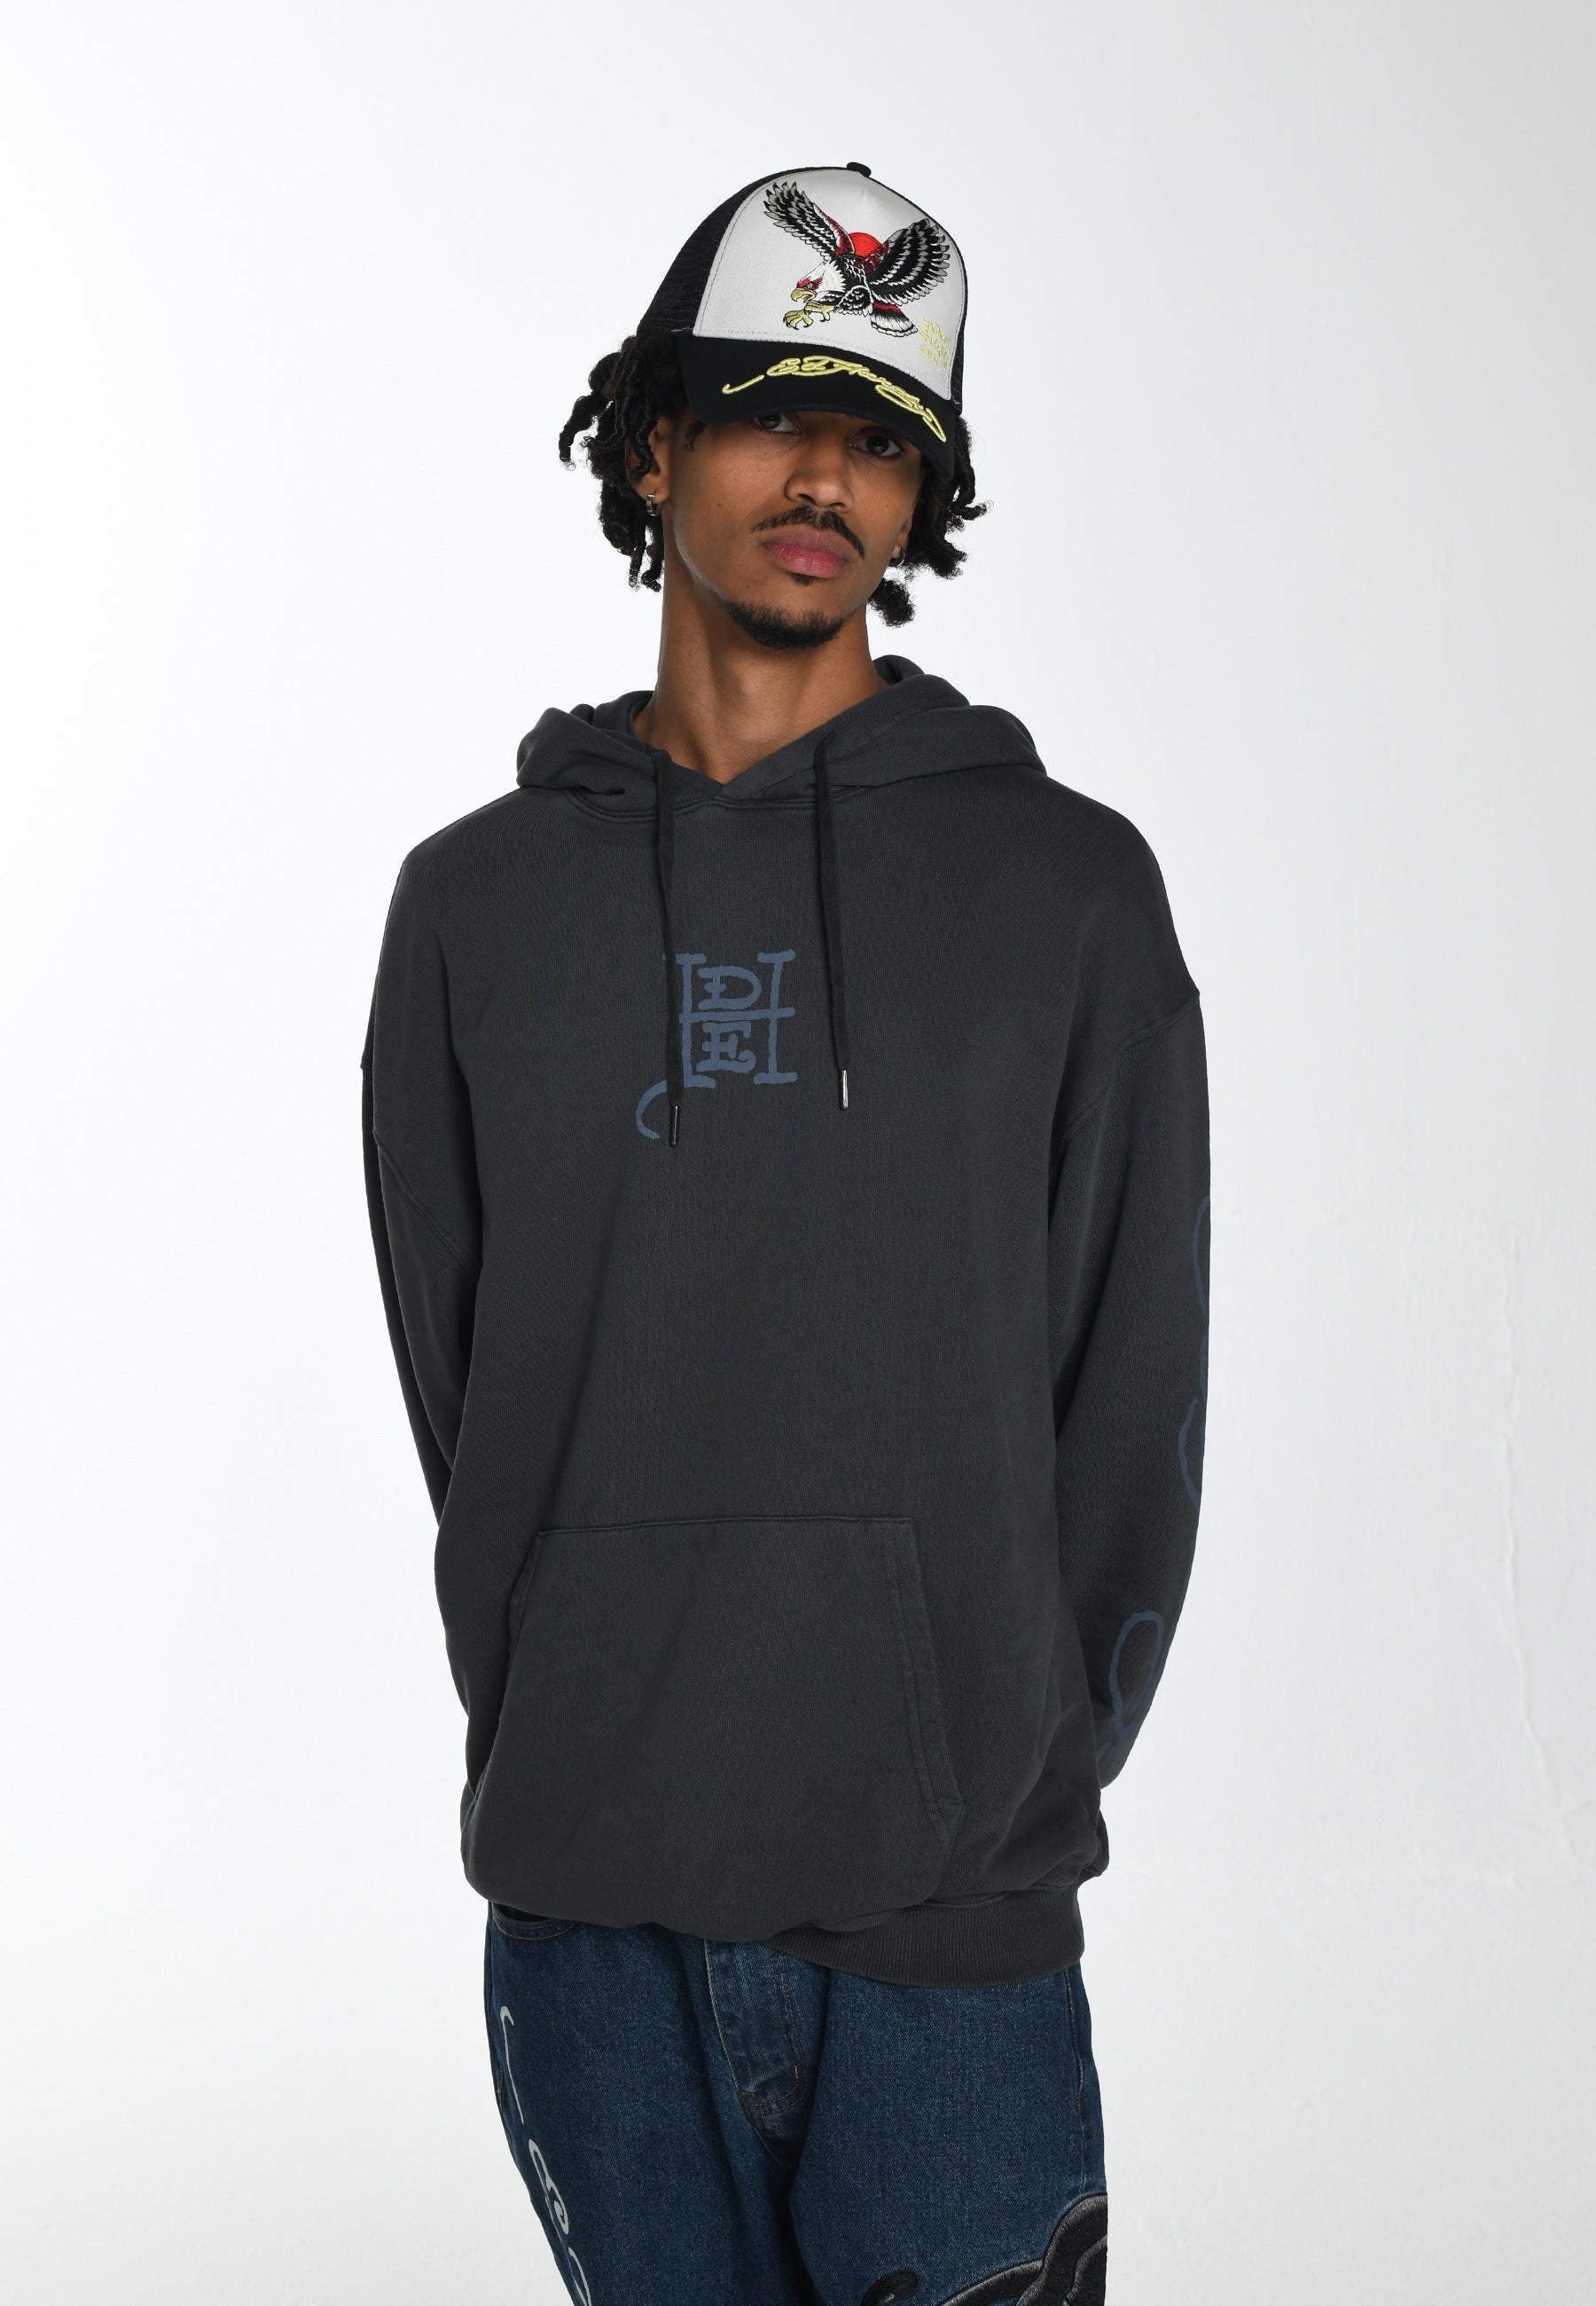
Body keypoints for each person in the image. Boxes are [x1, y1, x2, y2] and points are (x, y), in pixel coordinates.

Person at [362, 161, 1209, 2306]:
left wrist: (996, 1772)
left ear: (924, 497)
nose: (825, 472)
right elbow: (467, 1387)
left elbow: (1129, 1399)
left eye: (882, 434)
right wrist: (573, 1674)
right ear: (652, 445)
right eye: (768, 411)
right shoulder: (472, 908)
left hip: (947, 1933)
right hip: (591, 1911)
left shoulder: (1071, 894)